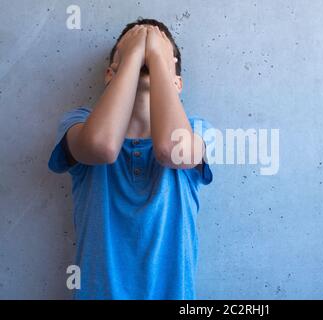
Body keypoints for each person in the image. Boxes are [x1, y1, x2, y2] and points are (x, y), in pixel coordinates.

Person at [47, 18, 214, 299]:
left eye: (157, 57)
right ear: (111, 74)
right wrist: (136, 56)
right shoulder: (80, 124)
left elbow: (171, 151)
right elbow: (102, 147)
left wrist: (154, 59)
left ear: (177, 82)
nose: (147, 58)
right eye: (137, 56)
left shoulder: (197, 131)